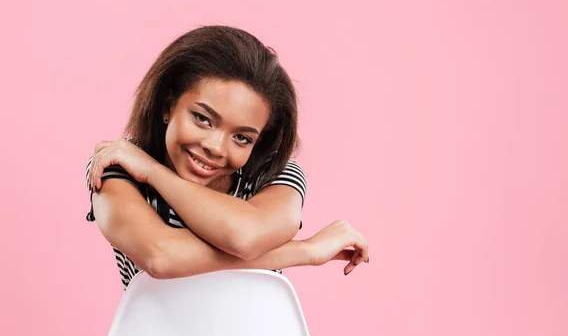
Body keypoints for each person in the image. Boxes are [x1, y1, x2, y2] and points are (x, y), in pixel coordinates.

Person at [85, 25, 369, 290]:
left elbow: (244, 237)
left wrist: (153, 172)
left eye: (242, 138)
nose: (216, 148)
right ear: (168, 106)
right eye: (203, 119)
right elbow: (161, 257)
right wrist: (304, 251)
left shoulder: (275, 174)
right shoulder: (117, 164)